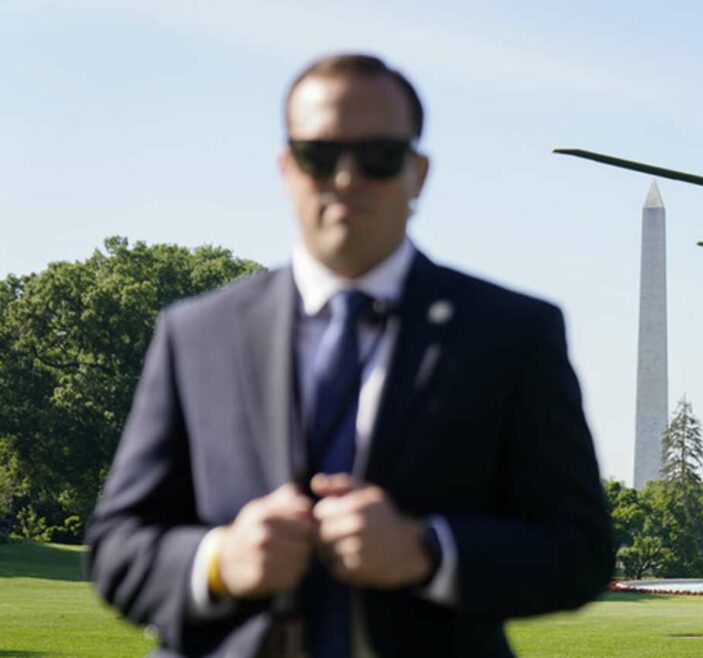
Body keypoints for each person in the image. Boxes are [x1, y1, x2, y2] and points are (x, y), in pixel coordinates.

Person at [86, 53, 612, 657]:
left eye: (378, 157)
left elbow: (580, 550)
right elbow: (118, 544)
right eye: (320, 156)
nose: (346, 179)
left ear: (418, 172)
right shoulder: (196, 333)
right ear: (286, 167)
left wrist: (428, 551)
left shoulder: (513, 333)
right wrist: (219, 561)